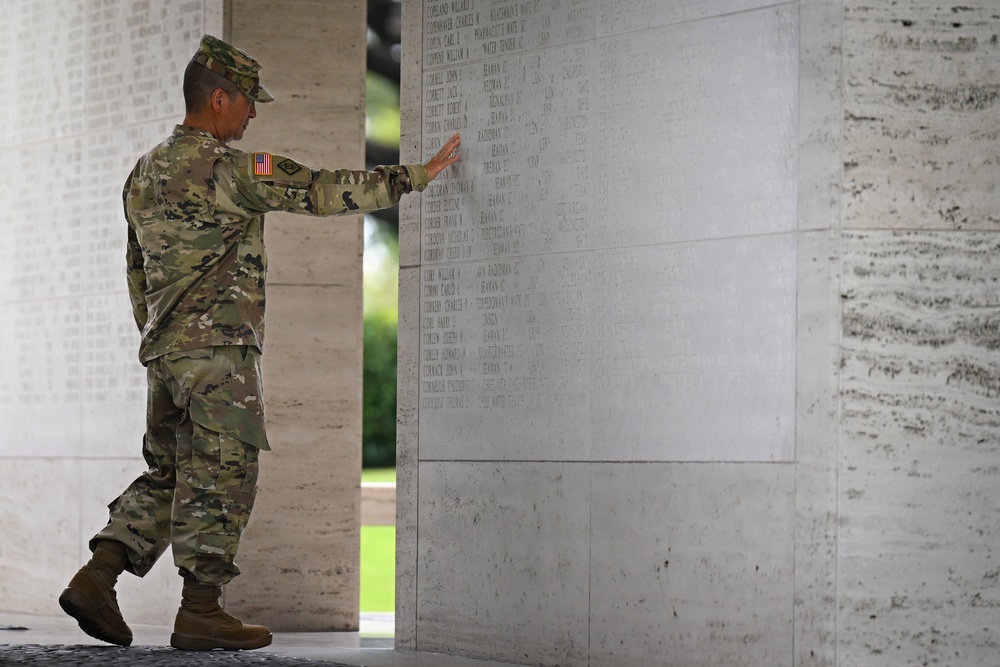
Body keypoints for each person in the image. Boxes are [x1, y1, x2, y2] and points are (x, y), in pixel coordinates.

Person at [58, 34, 460, 652]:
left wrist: (159, 336)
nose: (254, 113)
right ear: (218, 98)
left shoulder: (142, 173)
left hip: (165, 354)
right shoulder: (232, 169)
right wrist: (416, 175)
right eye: (248, 101)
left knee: (169, 473)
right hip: (219, 354)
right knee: (221, 475)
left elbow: (135, 270)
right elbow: (325, 189)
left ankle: (98, 575)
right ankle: (201, 611)